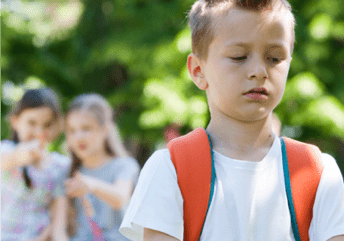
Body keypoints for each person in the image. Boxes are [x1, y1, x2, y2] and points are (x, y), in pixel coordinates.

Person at [119, 0, 344, 240]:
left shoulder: (318, 171)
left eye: (275, 58)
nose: (259, 71)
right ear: (198, 71)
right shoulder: (170, 168)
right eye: (239, 56)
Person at [62, 93, 140, 241]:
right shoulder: (68, 172)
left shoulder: (124, 165)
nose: (79, 136)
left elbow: (120, 198)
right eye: (72, 130)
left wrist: (92, 185)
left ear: (105, 130)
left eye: (86, 128)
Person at [1, 88, 70, 241]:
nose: (39, 132)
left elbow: (58, 216)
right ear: (15, 121)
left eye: (47, 125)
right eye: (31, 123)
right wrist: (21, 155)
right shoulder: (5, 150)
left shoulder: (60, 165)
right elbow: (7, 160)